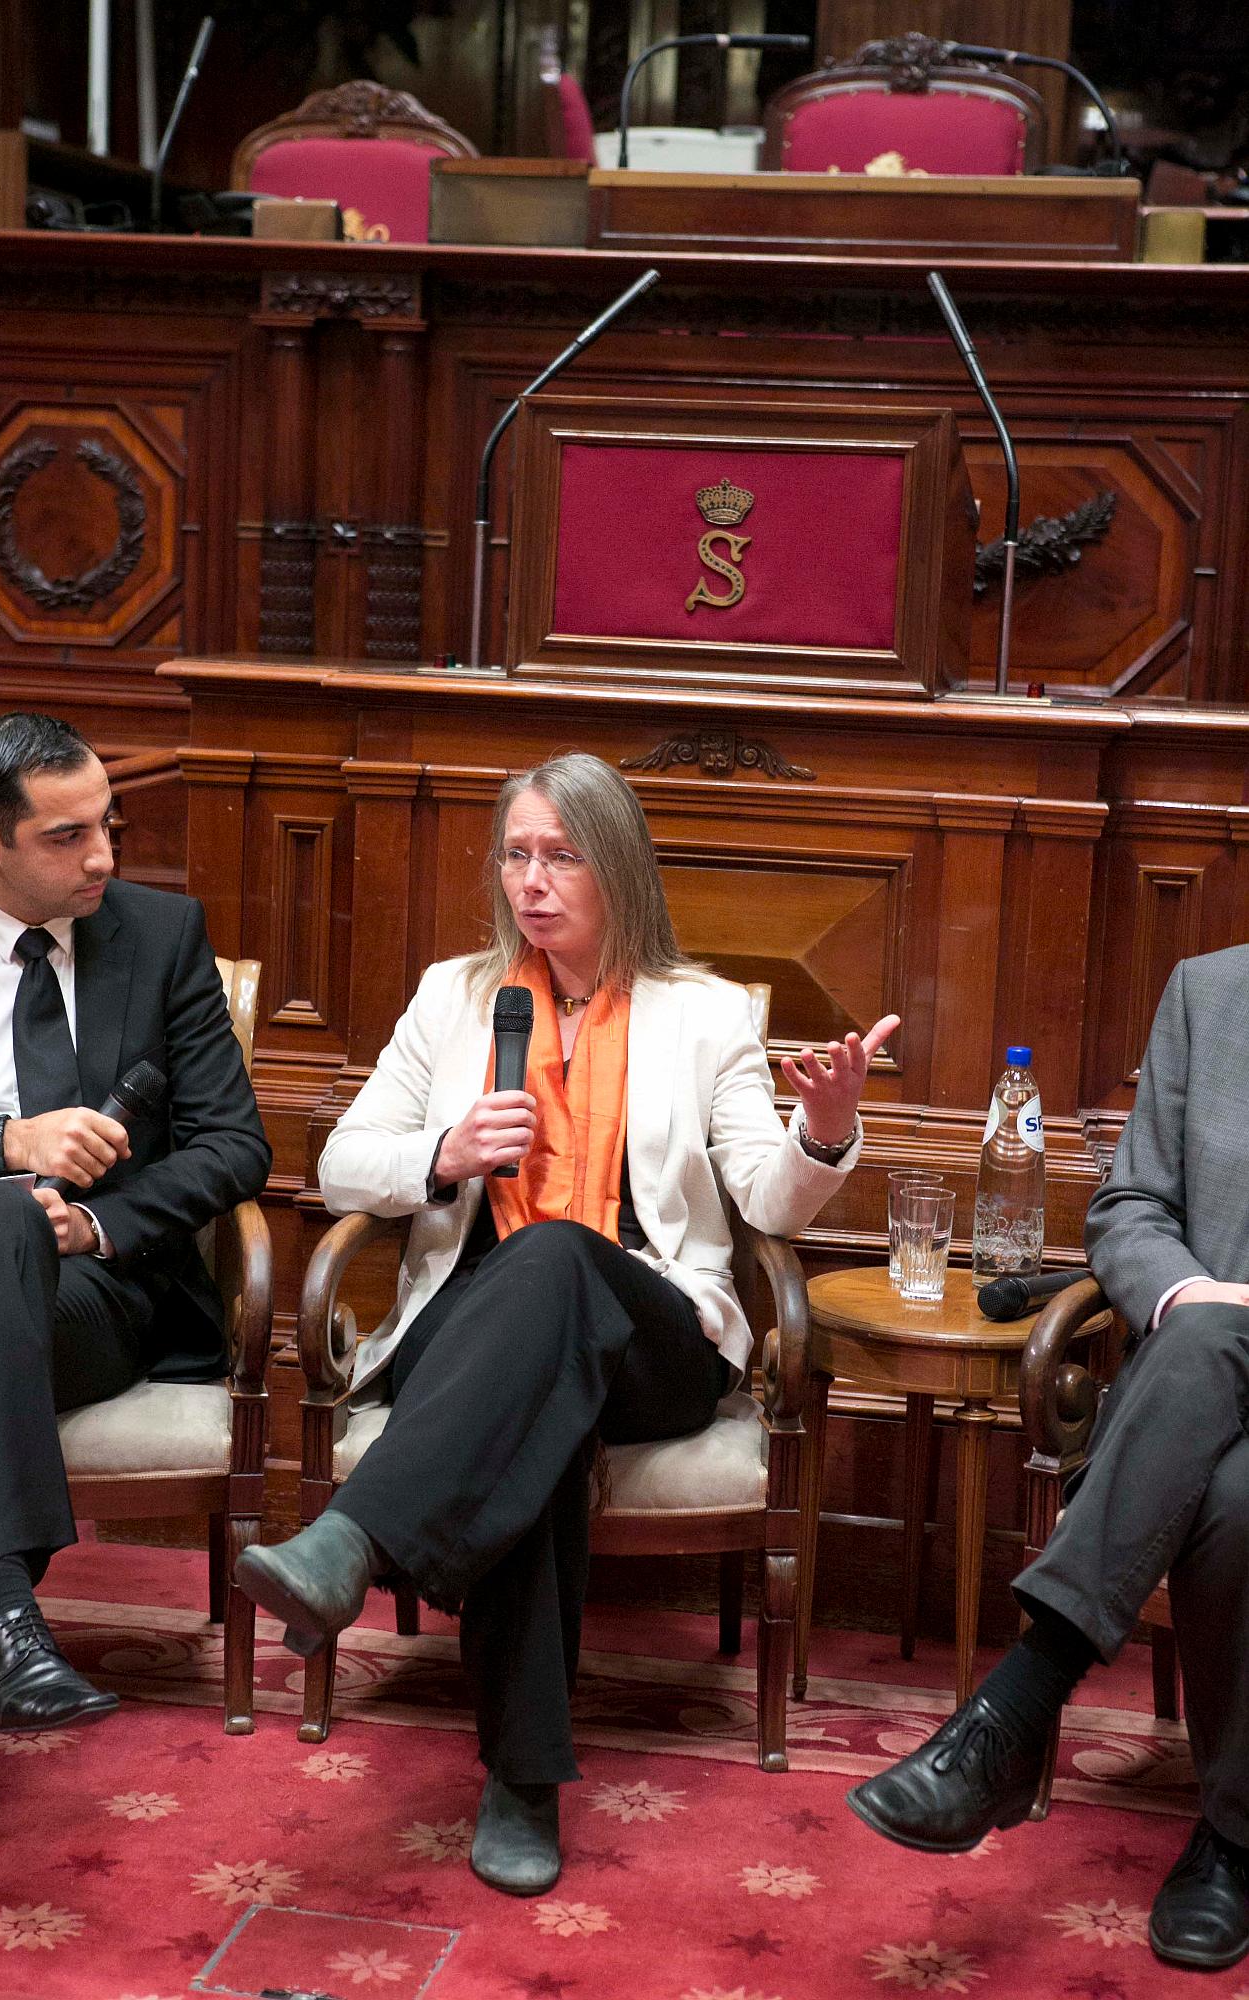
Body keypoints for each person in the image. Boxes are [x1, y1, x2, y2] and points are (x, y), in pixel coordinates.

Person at [237, 751, 898, 1897]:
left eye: (561, 855)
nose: (531, 881)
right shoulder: (456, 994)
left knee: (553, 1266)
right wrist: (438, 1157)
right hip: (473, 1327)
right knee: (534, 1412)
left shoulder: (702, 1016)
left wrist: (824, 1129)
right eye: (516, 853)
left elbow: (766, 1199)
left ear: (619, 869)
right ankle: (522, 1777)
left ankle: (355, 1536)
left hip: (656, 1331)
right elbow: (342, 1161)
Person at [0, 712, 270, 1896]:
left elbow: (233, 1144)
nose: (105, 855)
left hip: (96, 1289)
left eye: (108, 820)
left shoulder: (162, 935)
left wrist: (103, 1217)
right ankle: (2, 1612)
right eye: (68, 836)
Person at [848, 944, 1249, 1973]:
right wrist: (1187, 1294)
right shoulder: (1211, 990)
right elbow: (1130, 1207)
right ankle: (1234, 1840)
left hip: (1199, 1382)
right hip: (1206, 1396)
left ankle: (1017, 1708)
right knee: (1234, 1490)